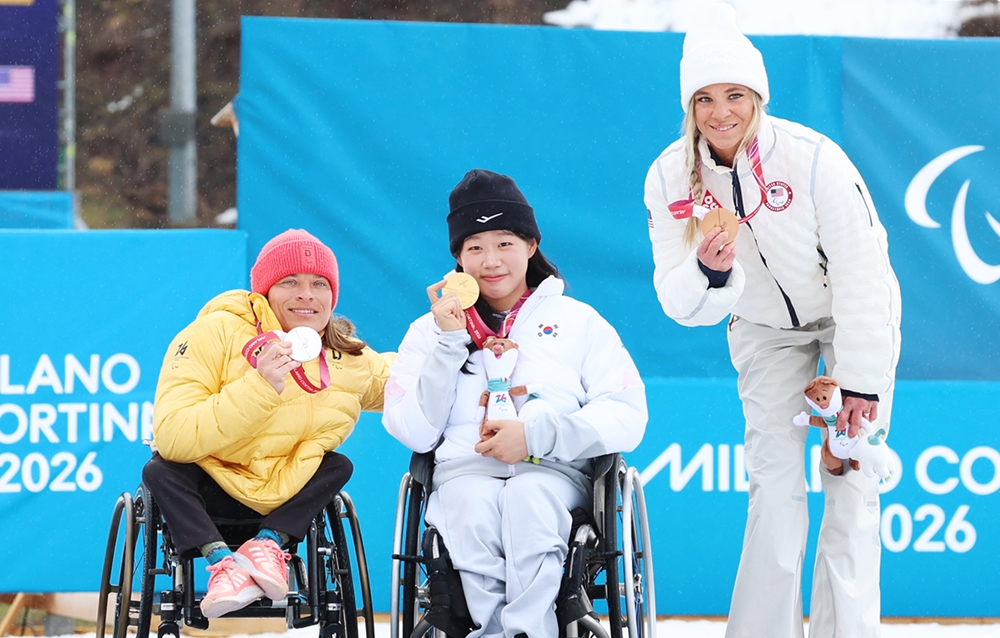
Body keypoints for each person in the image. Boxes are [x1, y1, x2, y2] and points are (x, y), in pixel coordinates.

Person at [644, 5, 901, 638]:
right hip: (761, 329)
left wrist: (862, 381)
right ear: (689, 106)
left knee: (851, 476)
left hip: (848, 320)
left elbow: (864, 273)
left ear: (757, 95)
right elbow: (679, 305)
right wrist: (707, 271)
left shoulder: (814, 159)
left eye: (734, 94)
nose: (720, 112)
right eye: (704, 98)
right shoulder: (670, 177)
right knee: (774, 485)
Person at [383, 169, 647, 638]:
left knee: (529, 501)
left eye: (504, 243)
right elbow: (415, 432)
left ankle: (530, 631)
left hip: (552, 472)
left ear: (530, 244)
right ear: (458, 260)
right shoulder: (428, 331)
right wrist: (447, 345)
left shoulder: (578, 321)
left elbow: (627, 414)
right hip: (464, 472)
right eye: (475, 247)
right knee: (471, 507)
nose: (491, 261)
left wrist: (537, 436)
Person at [143, 229, 394, 618]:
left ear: (333, 295)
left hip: (285, 499)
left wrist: (453, 345)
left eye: (319, 284)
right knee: (160, 469)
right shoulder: (214, 333)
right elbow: (174, 435)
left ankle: (267, 545)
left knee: (338, 465)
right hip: (213, 489)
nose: (306, 294)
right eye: (290, 282)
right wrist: (259, 387)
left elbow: (406, 381)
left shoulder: (344, 354)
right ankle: (225, 564)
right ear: (264, 292)